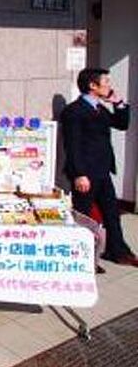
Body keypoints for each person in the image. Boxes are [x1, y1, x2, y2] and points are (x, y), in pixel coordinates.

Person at [60, 67, 137, 266]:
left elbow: (121, 124)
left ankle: (117, 251)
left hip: (103, 170)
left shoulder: (99, 108)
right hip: (85, 173)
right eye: (106, 82)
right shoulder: (74, 111)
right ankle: (82, 257)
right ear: (92, 85)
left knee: (111, 213)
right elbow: (72, 145)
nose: (109, 86)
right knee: (83, 217)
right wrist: (79, 174)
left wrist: (118, 104)